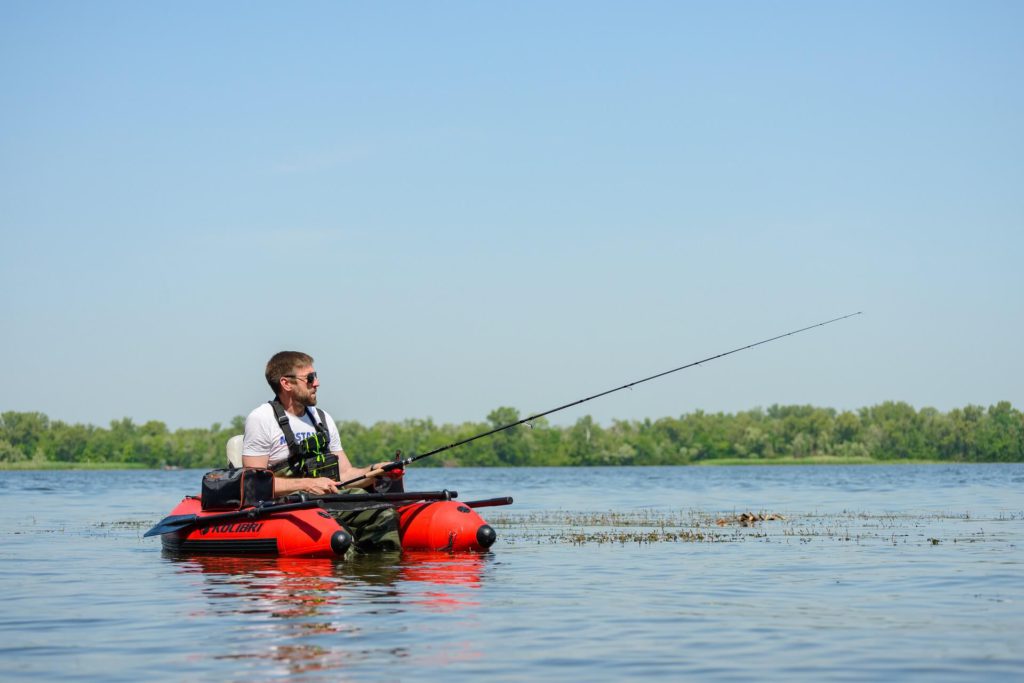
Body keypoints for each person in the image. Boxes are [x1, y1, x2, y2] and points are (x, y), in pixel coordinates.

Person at [241, 351, 401, 553]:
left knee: (382, 512)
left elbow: (345, 475)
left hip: (329, 501)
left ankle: (382, 577)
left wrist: (377, 470)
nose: (316, 383)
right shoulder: (261, 419)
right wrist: (308, 484)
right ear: (286, 384)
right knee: (336, 531)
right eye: (309, 378)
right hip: (287, 507)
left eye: (315, 376)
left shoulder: (322, 418)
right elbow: (254, 484)